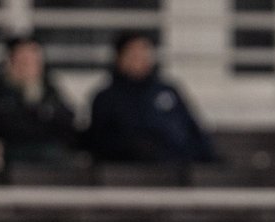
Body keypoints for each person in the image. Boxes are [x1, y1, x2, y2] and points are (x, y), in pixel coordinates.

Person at [85, 32, 217, 164]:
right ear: (120, 58)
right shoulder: (107, 99)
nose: (140, 59)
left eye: (144, 53)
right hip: (132, 172)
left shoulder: (168, 92)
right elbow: (102, 142)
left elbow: (193, 129)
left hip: (180, 166)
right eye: (134, 54)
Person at [0, 34, 79, 173]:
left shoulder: (51, 90)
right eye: (24, 60)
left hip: (50, 157)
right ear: (11, 61)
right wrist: (39, 113)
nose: (30, 65)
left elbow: (66, 123)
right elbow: (3, 125)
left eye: (34, 60)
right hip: (14, 158)